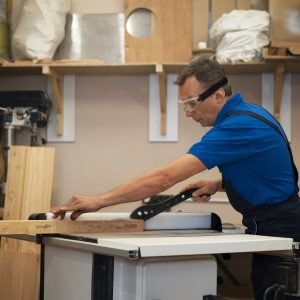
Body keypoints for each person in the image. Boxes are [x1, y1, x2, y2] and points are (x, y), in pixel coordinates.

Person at [53, 55, 300, 300]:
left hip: (278, 226)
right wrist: (218, 184)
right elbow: (267, 172)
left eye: (192, 103)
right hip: (277, 220)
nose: (188, 114)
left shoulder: (237, 128)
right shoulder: (252, 113)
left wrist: (99, 201)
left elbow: (164, 178)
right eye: (185, 106)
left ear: (218, 95)